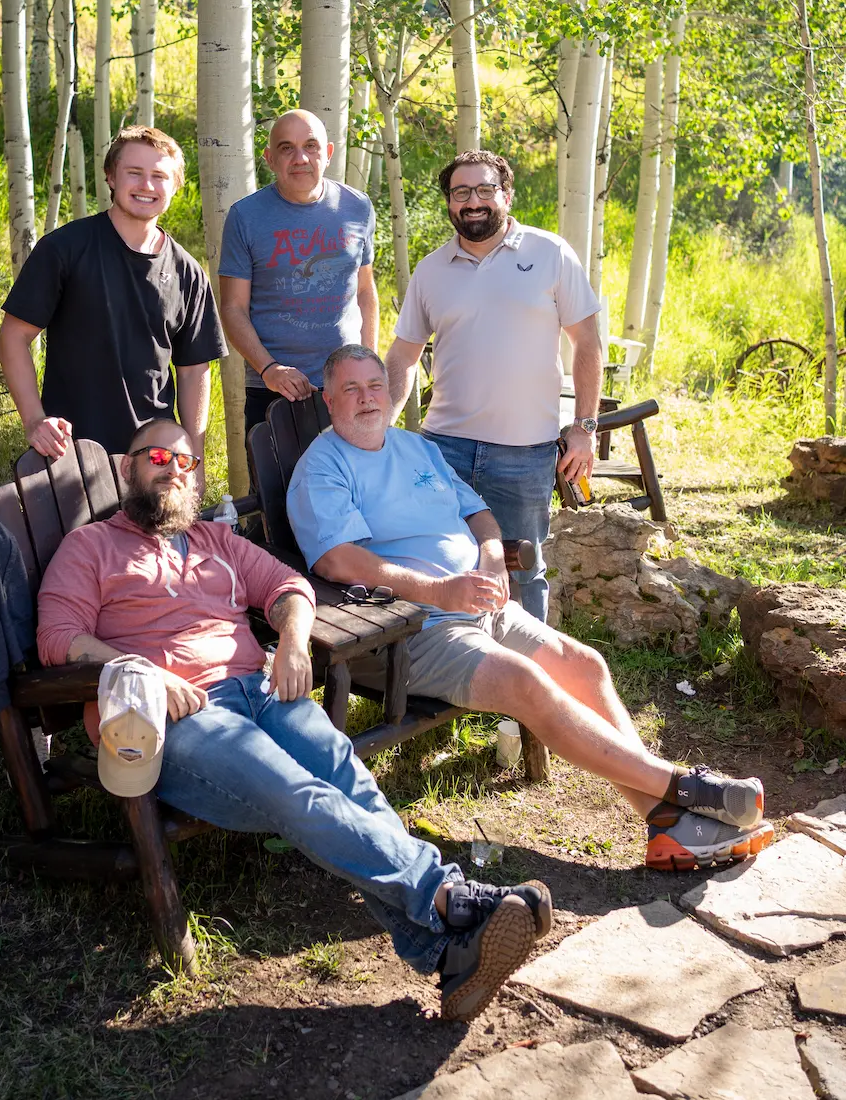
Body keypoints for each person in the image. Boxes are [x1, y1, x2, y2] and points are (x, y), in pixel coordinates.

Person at [35, 417, 553, 1022]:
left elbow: (288, 586)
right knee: (299, 793)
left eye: (186, 462)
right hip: (173, 717)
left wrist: (292, 643)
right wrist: (140, 671)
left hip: (259, 690)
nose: (173, 470)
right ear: (129, 469)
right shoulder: (90, 547)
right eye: (158, 457)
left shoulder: (213, 541)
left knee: (344, 771)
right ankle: (453, 899)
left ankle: (443, 949)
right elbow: (58, 637)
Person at [286, 346, 774, 873]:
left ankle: (667, 827)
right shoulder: (323, 466)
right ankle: (686, 788)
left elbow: (477, 512)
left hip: (480, 603)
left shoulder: (413, 448)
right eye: (351, 390)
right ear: (329, 399)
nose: (366, 399)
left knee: (585, 665)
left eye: (374, 386)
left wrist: (494, 558)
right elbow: (339, 560)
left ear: (390, 390)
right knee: (527, 682)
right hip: (411, 629)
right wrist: (437, 590)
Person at [384, 149, 602, 623]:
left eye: (485, 189)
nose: (473, 201)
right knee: (441, 559)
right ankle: (460, 659)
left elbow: (587, 343)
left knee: (524, 568)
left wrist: (585, 426)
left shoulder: (550, 254)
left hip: (524, 453)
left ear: (506, 195)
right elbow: (403, 355)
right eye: (461, 192)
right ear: (449, 203)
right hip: (443, 449)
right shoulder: (431, 269)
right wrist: (380, 424)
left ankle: (533, 672)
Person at [0, 125, 226, 473]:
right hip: (70, 452)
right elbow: (13, 338)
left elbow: (195, 372)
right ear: (111, 177)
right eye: (134, 173)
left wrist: (193, 462)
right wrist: (34, 421)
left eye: (159, 176)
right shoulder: (65, 249)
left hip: (154, 461)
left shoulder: (188, 273)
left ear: (176, 186)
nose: (147, 185)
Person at [219, 109, 379, 433]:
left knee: (352, 482)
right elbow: (232, 308)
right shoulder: (245, 217)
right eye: (286, 148)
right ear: (269, 159)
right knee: (277, 484)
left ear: (328, 153)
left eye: (311, 145)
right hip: (274, 389)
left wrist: (369, 367)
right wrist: (270, 369)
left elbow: (365, 292)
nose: (300, 158)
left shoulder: (358, 207)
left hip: (346, 383)